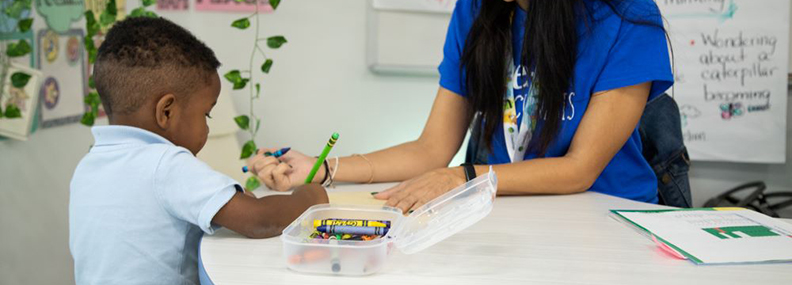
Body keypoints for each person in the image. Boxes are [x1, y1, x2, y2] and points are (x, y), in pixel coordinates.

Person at [249, 0, 673, 214]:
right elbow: (432, 148)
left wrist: (461, 177)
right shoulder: (478, 10)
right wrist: (324, 169)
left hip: (606, 216)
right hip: (509, 211)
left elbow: (580, 169)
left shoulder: (627, 16)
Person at [69, 17, 327, 285]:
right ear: (166, 111)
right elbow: (260, 220)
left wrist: (236, 199)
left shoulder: (88, 166)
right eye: (206, 114)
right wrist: (310, 196)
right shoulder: (165, 163)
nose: (206, 127)